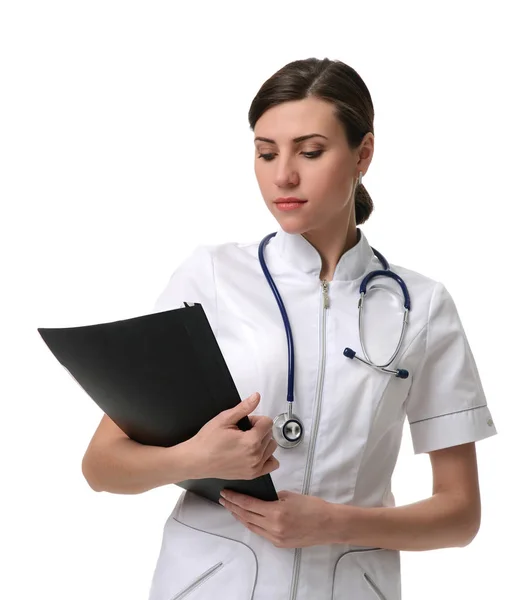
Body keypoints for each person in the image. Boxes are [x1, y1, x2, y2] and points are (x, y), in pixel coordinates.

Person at [81, 57, 497, 600]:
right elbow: (102, 466)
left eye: (311, 151)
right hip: (209, 585)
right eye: (266, 152)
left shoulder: (422, 305)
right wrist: (195, 459)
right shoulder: (210, 276)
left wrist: (335, 523)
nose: (283, 176)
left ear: (363, 154)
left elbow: (459, 514)